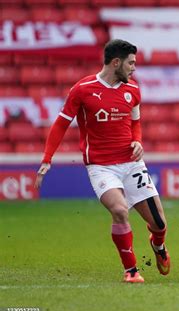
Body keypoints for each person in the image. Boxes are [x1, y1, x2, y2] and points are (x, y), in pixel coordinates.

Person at [34, 39, 170, 283]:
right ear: (116, 62)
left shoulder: (133, 90)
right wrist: (47, 158)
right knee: (119, 210)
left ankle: (158, 246)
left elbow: (135, 122)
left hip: (132, 164)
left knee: (159, 223)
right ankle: (131, 270)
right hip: (101, 166)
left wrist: (138, 141)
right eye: (131, 63)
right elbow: (61, 123)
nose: (134, 68)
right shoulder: (83, 89)